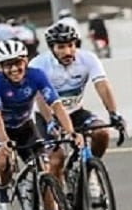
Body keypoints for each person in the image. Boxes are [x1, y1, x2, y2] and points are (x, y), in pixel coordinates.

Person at [0, 39, 76, 210]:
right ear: (1, 68)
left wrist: (70, 132)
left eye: (17, 63)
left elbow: (57, 105)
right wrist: (5, 142)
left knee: (45, 171)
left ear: (25, 61)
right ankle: (3, 197)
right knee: (2, 159)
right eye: (8, 65)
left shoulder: (36, 75)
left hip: (25, 127)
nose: (14, 69)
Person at [30, 19, 126, 160]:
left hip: (75, 112)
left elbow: (102, 86)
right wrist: (50, 120)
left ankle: (91, 168)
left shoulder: (88, 58)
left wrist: (114, 113)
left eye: (71, 45)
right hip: (47, 116)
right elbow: (39, 97)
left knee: (101, 133)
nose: (67, 51)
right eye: (61, 47)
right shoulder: (39, 64)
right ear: (52, 48)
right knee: (57, 159)